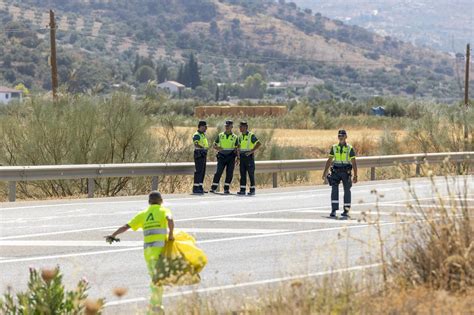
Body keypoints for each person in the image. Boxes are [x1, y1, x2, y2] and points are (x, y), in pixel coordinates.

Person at [105, 191, 174, 314]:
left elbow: (126, 226)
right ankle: (155, 307)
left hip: (148, 252)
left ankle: (156, 305)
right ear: (161, 201)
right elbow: (170, 219)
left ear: (148, 202)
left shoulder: (143, 214)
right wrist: (171, 235)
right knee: (158, 279)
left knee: (155, 277)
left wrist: (113, 235)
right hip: (160, 250)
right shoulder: (164, 211)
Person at [322, 130, 358, 218]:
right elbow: (329, 160)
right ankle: (334, 210)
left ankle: (346, 210)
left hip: (346, 172)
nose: (340, 137)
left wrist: (356, 175)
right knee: (334, 189)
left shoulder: (349, 148)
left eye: (342, 136)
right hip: (336, 171)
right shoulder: (334, 147)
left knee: (347, 190)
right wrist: (325, 172)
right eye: (339, 136)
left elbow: (354, 163)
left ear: (346, 137)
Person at [210, 120, 239, 194]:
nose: (227, 127)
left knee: (229, 173)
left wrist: (238, 158)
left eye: (228, 126)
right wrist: (218, 148)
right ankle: (213, 188)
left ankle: (226, 189)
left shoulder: (235, 137)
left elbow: (237, 148)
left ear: (232, 127)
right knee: (218, 172)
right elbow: (214, 144)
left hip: (231, 157)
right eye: (226, 126)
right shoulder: (220, 135)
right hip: (222, 156)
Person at [237, 121, 261, 196]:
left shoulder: (251, 135)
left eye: (241, 126)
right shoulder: (240, 136)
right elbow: (238, 147)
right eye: (239, 126)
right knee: (242, 174)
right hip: (242, 157)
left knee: (251, 174)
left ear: (246, 127)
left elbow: (258, 143)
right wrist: (238, 157)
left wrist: (251, 151)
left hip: (249, 157)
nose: (240, 128)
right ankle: (242, 190)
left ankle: (252, 190)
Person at [192, 120, 209, 194]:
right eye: (204, 127)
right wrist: (202, 148)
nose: (206, 128)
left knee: (202, 171)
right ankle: (195, 188)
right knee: (199, 171)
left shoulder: (202, 135)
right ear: (200, 127)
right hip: (199, 153)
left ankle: (200, 187)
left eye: (206, 127)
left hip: (203, 153)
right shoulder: (197, 135)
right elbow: (196, 144)